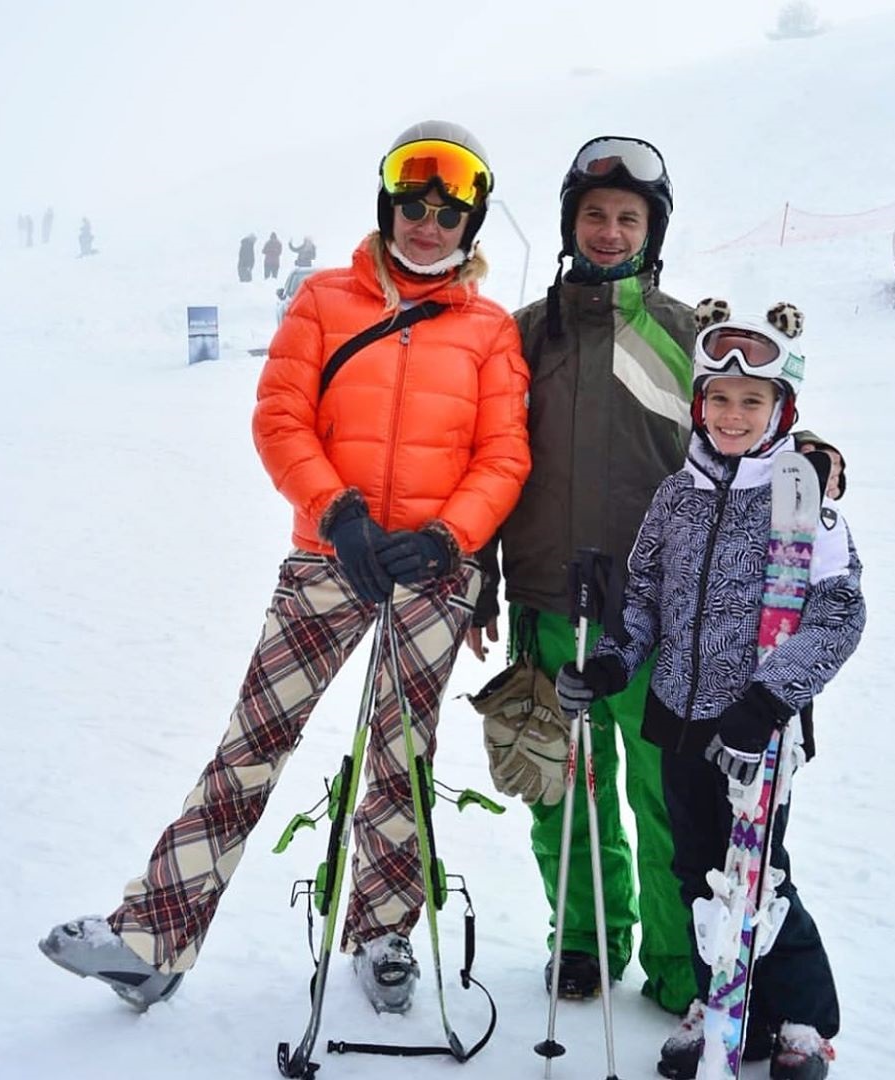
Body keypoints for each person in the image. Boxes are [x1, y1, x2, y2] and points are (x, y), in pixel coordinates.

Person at [39, 119, 531, 1016]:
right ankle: (152, 940)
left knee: (401, 755)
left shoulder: (490, 330)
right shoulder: (324, 299)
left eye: (447, 215)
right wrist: (339, 513)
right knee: (252, 742)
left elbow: (503, 455)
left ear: (471, 225)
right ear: (387, 207)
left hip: (431, 570)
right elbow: (280, 418)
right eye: (413, 208)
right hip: (330, 557)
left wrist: (446, 539)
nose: (428, 227)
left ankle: (382, 932)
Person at [469, 136, 846, 1011]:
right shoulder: (521, 337)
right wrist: (482, 575)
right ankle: (584, 940)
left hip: (660, 617)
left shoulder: (684, 334)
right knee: (565, 787)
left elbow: (756, 427)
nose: (609, 231)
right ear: (570, 223)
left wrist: (815, 458)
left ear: (652, 231)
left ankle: (683, 963)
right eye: (594, 215)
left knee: (667, 793)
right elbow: (485, 457)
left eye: (627, 218)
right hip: (547, 599)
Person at [556, 302, 864, 1080]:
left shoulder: (801, 498)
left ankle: (798, 1017)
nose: (732, 415)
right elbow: (644, 599)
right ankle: (720, 1001)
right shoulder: (676, 497)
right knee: (695, 872)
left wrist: (769, 701)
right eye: (719, 399)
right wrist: (612, 664)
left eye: (751, 401)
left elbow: (837, 613)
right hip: (679, 719)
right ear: (698, 404)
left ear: (781, 408)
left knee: (762, 874)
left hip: (757, 729)